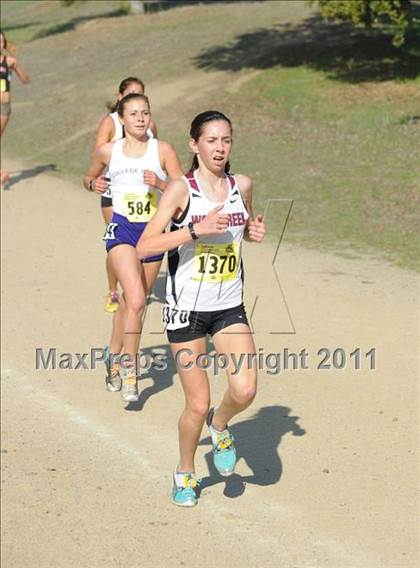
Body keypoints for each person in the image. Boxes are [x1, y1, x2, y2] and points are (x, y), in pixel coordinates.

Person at [137, 110, 266, 506]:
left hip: (228, 305)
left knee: (244, 389)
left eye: (226, 140)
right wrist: (194, 230)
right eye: (211, 140)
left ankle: (221, 424)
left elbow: (242, 225)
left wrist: (252, 231)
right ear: (194, 145)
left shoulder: (240, 184)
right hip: (186, 311)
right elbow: (145, 246)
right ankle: (185, 472)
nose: (220, 148)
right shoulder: (180, 190)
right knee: (196, 402)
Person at [84, 93, 183, 401]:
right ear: (122, 119)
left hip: (153, 232)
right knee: (138, 301)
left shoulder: (162, 150)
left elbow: (184, 190)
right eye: (134, 113)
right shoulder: (108, 151)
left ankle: (113, 356)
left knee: (130, 304)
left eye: (145, 113)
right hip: (122, 229)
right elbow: (89, 177)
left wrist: (161, 184)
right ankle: (130, 370)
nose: (140, 118)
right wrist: (94, 184)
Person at [93, 77, 158, 313]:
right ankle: (113, 289)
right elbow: (99, 153)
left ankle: (132, 287)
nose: (135, 98)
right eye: (130, 94)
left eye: (140, 94)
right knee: (118, 241)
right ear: (120, 98)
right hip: (114, 191)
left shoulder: (149, 126)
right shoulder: (109, 122)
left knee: (141, 245)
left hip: (143, 195)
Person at [0, 30, 30, 186]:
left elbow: (25, 80)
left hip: (4, 107)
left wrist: (17, 66)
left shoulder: (9, 61)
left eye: (1, 41)